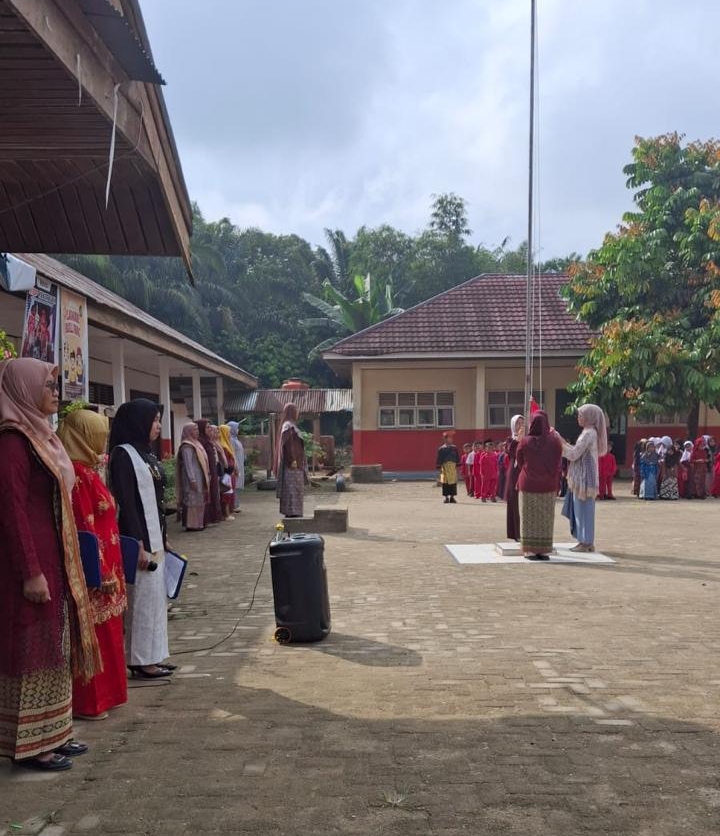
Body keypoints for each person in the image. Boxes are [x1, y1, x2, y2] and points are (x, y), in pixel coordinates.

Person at [0, 358, 100, 771]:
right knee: (32, 650)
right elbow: (11, 511)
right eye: (49, 385)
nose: (56, 393)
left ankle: (56, 731)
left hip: (55, 557)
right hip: (30, 564)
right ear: (24, 389)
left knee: (55, 643)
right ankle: (30, 744)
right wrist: (31, 571)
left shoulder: (42, 436)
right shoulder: (12, 442)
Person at [58, 409, 128, 719]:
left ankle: (109, 696)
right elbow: (82, 527)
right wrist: (97, 572)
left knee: (110, 635)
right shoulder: (76, 476)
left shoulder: (88, 470)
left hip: (109, 566)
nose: (104, 439)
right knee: (93, 637)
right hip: (95, 571)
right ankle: (91, 702)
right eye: (99, 433)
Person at [108, 399, 173, 679]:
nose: (158, 426)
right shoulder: (124, 455)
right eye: (154, 420)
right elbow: (128, 503)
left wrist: (164, 537)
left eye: (159, 420)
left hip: (155, 536)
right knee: (141, 603)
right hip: (139, 540)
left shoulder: (146, 454)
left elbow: (157, 502)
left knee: (156, 601)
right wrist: (139, 544)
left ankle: (154, 655)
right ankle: (140, 660)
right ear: (138, 422)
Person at [516, 410, 563, 560]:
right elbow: (558, 462)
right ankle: (543, 550)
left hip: (528, 483)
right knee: (546, 517)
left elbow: (519, 460)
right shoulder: (555, 441)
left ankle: (529, 550)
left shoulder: (525, 441)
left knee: (528, 516)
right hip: (548, 485)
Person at [560, 403, 607, 552]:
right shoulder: (589, 432)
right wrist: (561, 440)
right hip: (584, 476)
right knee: (583, 509)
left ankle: (585, 541)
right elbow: (576, 450)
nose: (578, 418)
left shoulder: (588, 433)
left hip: (584, 478)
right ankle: (586, 541)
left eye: (581, 415)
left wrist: (559, 444)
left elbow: (574, 454)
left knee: (583, 510)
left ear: (589, 417)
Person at [175, 422, 209, 531]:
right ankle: (191, 524)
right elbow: (188, 464)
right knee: (191, 501)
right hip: (191, 478)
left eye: (197, 429)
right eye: (194, 430)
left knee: (199, 500)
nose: (197, 432)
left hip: (199, 476)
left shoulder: (196, 443)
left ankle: (199, 523)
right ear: (188, 432)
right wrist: (192, 479)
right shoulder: (187, 446)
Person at [276, 403, 308, 517]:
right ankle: (292, 513)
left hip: (296, 463)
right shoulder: (288, 426)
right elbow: (289, 445)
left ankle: (294, 512)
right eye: (296, 410)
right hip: (292, 464)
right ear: (291, 412)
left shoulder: (291, 425)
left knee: (295, 489)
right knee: (291, 489)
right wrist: (292, 459)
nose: (298, 413)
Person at [196, 418, 222, 524]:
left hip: (213, 469)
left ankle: (214, 516)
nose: (209, 429)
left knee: (214, 492)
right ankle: (209, 517)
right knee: (209, 494)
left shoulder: (207, 440)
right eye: (207, 427)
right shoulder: (201, 441)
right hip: (207, 471)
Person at [504, 415, 524, 540]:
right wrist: (518, 440)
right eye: (517, 423)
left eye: (522, 423)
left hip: (526, 471)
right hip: (514, 472)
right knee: (514, 502)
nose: (520, 426)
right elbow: (511, 452)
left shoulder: (529, 439)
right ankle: (516, 533)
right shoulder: (510, 440)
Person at [217, 424, 237, 520]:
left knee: (229, 492)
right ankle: (226, 514)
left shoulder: (227, 444)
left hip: (229, 473)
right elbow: (224, 462)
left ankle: (228, 512)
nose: (229, 434)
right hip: (226, 474)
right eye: (228, 432)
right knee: (226, 493)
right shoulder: (223, 446)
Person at [436, 430, 460, 504]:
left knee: (453, 482)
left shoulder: (454, 448)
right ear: (445, 439)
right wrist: (440, 469)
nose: (451, 439)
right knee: (445, 482)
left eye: (451, 438)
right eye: (449, 438)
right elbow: (439, 459)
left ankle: (452, 497)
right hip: (444, 467)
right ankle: (446, 497)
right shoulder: (441, 449)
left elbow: (457, 457)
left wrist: (457, 466)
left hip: (453, 467)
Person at [227, 420, 246, 512]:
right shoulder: (230, 440)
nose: (238, 430)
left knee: (237, 485)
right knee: (235, 485)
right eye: (237, 428)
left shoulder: (236, 439)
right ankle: (234, 505)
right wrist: (235, 466)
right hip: (236, 465)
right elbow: (232, 454)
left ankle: (236, 504)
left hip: (240, 464)